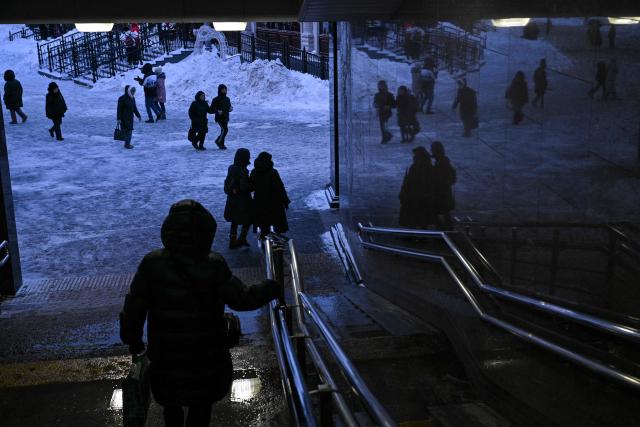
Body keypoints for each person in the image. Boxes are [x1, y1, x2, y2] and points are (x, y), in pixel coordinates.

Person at [119, 199, 280, 427]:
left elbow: (134, 308)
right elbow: (242, 299)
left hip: (166, 358)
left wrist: (133, 341)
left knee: (171, 408)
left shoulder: (152, 264)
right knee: (201, 409)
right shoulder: (213, 264)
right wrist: (271, 287)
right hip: (206, 358)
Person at [250, 152, 290, 239]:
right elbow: (280, 188)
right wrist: (285, 201)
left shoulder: (254, 172)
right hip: (274, 203)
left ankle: (265, 241)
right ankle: (276, 244)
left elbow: (251, 187)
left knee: (263, 225)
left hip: (259, 202)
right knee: (276, 224)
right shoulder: (273, 172)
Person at [224, 149, 254, 249]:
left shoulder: (231, 168)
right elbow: (244, 187)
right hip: (243, 200)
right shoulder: (243, 171)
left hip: (232, 199)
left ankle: (232, 241)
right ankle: (242, 238)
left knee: (234, 220)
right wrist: (253, 186)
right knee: (249, 218)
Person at [399, 146, 435, 229]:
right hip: (414, 196)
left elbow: (426, 182)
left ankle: (420, 234)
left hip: (420, 197)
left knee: (420, 218)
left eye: (416, 155)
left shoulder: (425, 167)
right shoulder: (415, 166)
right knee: (415, 218)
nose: (414, 157)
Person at [430, 141, 456, 230]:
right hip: (444, 190)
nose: (431, 151)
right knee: (445, 211)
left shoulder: (441, 162)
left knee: (438, 211)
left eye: (432, 149)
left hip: (441, 191)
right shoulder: (442, 159)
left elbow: (439, 176)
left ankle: (443, 229)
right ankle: (447, 228)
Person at [209, 84, 233, 150]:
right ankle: (218, 142)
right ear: (220, 90)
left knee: (223, 130)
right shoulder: (215, 99)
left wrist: (230, 109)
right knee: (225, 130)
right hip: (219, 118)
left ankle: (221, 143)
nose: (224, 91)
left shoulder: (227, 99)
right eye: (223, 89)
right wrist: (217, 111)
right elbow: (211, 110)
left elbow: (228, 107)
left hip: (226, 117)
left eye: (225, 89)